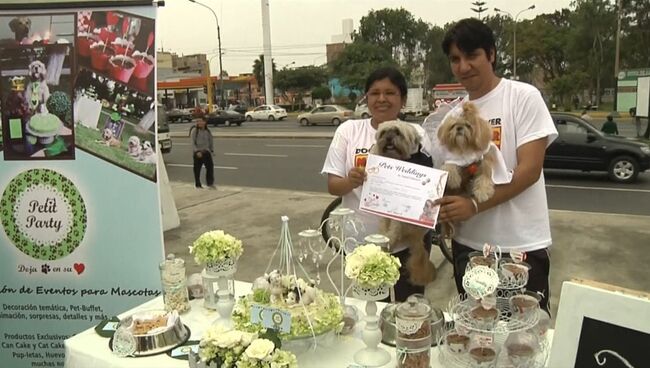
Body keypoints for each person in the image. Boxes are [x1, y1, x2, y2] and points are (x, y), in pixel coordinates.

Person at [435, 18, 558, 313]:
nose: (463, 66)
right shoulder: (452, 115)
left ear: (491, 54)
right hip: (469, 243)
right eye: (455, 59)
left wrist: (474, 206)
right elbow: (445, 176)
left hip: (520, 244)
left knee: (524, 339)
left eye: (472, 55)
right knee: (477, 338)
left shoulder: (523, 97)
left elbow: (530, 171)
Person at [321, 66, 434, 302]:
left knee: (407, 314)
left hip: (406, 246)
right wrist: (350, 181)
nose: (382, 99)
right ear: (366, 98)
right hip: (362, 246)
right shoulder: (348, 131)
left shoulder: (417, 135)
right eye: (374, 93)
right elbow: (333, 186)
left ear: (402, 99)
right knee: (368, 314)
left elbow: (431, 188)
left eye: (390, 93)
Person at [190, 118, 215, 189]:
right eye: (198, 121)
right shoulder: (195, 131)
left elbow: (211, 141)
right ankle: (198, 184)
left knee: (210, 168)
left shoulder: (208, 131)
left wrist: (211, 150)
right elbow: (192, 142)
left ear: (205, 122)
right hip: (198, 153)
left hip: (206, 152)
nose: (199, 123)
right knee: (197, 170)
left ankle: (210, 183)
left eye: (201, 121)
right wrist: (197, 151)